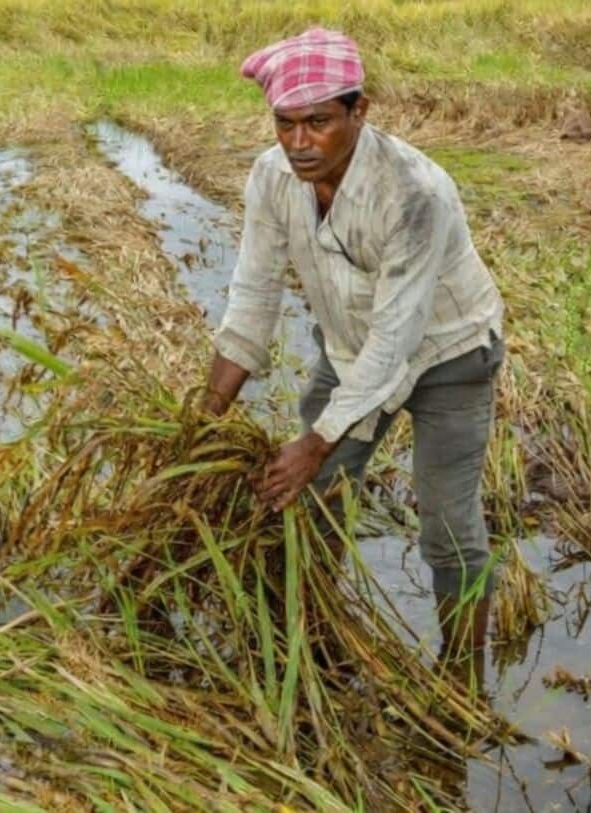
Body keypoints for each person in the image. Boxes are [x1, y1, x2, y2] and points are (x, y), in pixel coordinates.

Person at [198, 27, 505, 681]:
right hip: (351, 348)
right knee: (310, 502)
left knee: (448, 524)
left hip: (448, 354)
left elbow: (397, 342)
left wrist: (317, 441)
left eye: (319, 122)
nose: (300, 142)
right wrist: (205, 418)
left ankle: (461, 676)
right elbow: (252, 296)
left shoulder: (414, 194)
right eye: (286, 123)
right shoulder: (271, 177)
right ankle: (316, 647)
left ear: (358, 112)